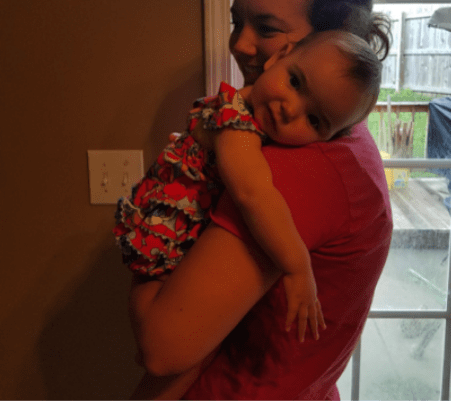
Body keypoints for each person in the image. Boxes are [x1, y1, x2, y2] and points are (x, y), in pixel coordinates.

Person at [127, 0, 393, 401]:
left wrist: (150, 234)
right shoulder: (342, 138)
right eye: (238, 21)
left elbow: (163, 347)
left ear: (329, 42)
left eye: (266, 28)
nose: (239, 43)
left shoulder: (294, 169)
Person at [115, 29, 382, 345]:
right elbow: (252, 194)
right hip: (166, 235)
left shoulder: (249, 109)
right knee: (165, 343)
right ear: (279, 56)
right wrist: (298, 267)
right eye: (295, 82)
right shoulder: (236, 124)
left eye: (314, 120)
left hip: (180, 229)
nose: (290, 109)